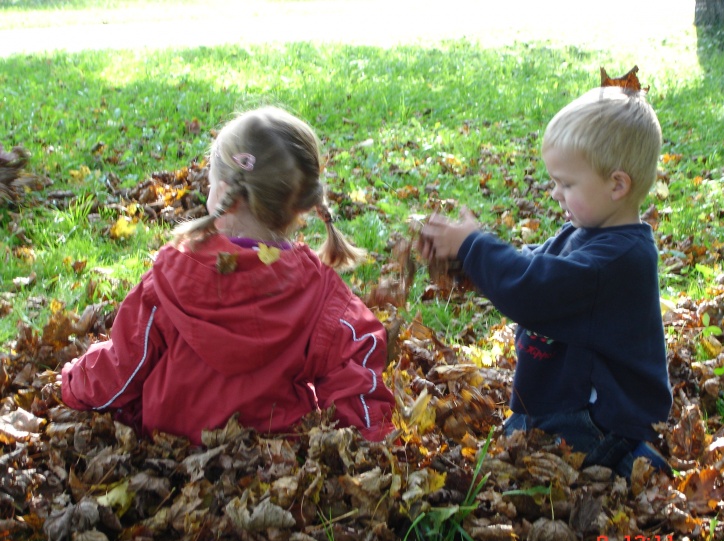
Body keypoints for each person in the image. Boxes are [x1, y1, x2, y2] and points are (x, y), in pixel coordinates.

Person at [60, 106, 395, 445]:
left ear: (224, 196)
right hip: (273, 458)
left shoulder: (172, 278)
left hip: (172, 452)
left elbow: (123, 366)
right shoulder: (320, 292)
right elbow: (358, 363)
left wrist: (74, 381)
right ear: (300, 206)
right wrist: (366, 441)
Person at [419, 86, 672, 477]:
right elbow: (532, 263)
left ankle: (628, 461)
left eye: (567, 184)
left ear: (617, 185)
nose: (555, 193)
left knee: (506, 470)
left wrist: (473, 245)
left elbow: (533, 288)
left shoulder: (618, 260)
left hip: (596, 421)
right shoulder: (588, 233)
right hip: (561, 404)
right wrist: (466, 261)